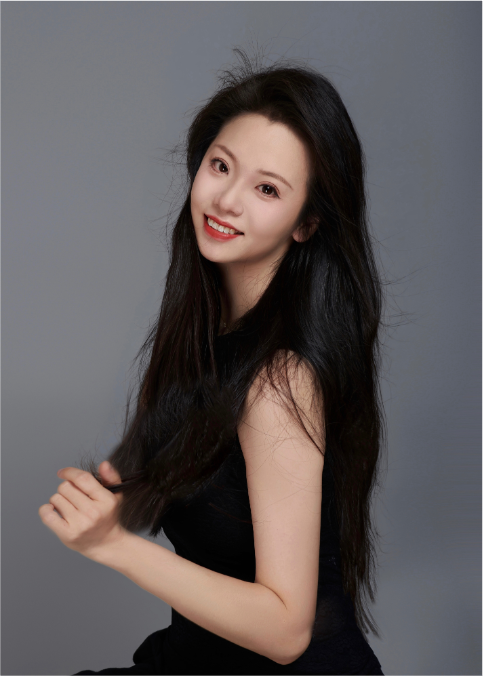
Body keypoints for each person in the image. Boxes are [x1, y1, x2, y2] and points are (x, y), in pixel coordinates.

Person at [39, 51, 386, 676]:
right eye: (221, 166)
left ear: (307, 223)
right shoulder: (206, 335)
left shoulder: (279, 382)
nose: (226, 200)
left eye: (267, 189)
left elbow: (287, 630)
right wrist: (124, 490)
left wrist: (113, 544)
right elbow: (215, 497)